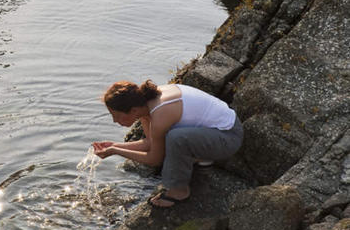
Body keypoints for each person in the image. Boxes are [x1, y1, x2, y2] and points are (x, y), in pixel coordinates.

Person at [91, 80, 243, 207]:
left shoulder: (160, 115)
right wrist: (115, 145)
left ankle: (179, 191)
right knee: (172, 140)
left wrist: (116, 152)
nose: (114, 121)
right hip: (214, 131)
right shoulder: (146, 104)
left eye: (116, 115)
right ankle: (200, 156)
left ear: (133, 110)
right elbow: (149, 143)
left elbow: (154, 159)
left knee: (175, 138)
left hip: (228, 137)